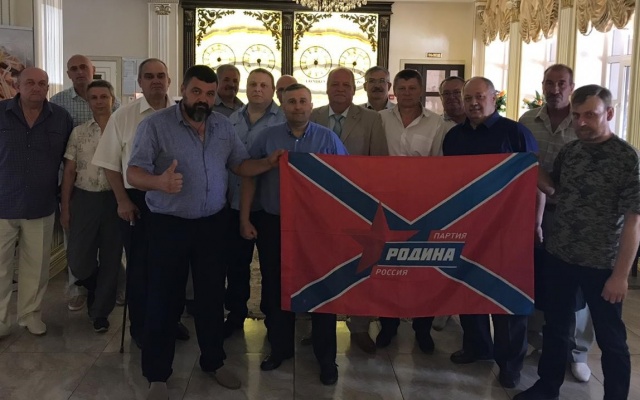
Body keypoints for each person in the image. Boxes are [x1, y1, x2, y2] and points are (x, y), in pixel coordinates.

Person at [127, 65, 283, 399]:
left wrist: (268, 163)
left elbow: (240, 165)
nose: (203, 99)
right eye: (197, 91)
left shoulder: (223, 127)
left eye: (210, 94)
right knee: (164, 300)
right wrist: (159, 182)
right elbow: (134, 173)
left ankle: (213, 361)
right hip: (168, 225)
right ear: (183, 90)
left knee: (211, 298)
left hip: (212, 225)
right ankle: (157, 375)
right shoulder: (155, 126)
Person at [515, 85, 639, 400]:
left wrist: (620, 276)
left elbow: (634, 222)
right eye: (577, 115)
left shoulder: (627, 158)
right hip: (560, 256)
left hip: (601, 263)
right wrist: (530, 165)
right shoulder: (571, 152)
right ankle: (547, 387)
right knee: (556, 328)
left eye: (590, 115)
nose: (582, 123)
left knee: (611, 339)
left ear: (609, 113)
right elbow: (554, 190)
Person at [240, 83, 348, 385]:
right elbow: (247, 173)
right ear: (282, 105)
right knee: (276, 286)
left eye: (302, 101)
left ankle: (326, 357)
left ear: (311, 105)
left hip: (317, 228)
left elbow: (345, 179)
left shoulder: (328, 139)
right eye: (291, 102)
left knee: (322, 287)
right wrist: (245, 217)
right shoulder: (267, 137)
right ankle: (280, 348)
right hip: (274, 222)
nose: (298, 106)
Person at [443, 76, 539, 389]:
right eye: (467, 98)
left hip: (507, 230)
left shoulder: (516, 133)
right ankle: (477, 345)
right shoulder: (453, 137)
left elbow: (534, 180)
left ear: (493, 97)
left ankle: (509, 363)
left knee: (506, 294)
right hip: (466, 227)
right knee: (468, 287)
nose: (473, 103)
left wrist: (534, 223)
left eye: (479, 97)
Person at [92, 58, 189, 348]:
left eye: (161, 75)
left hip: (175, 200)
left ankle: (171, 320)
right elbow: (109, 162)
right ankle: (141, 326)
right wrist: (122, 200)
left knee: (174, 265)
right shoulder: (124, 116)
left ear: (169, 81)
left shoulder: (183, 114)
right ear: (140, 82)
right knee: (140, 267)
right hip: (137, 201)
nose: (156, 81)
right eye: (149, 76)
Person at [518, 64, 594, 383]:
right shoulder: (526, 121)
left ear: (571, 86)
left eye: (561, 83)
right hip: (532, 212)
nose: (555, 89)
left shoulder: (583, 123)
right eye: (549, 83)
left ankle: (578, 352)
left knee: (576, 284)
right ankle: (539, 341)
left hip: (573, 216)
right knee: (538, 277)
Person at [308, 67, 388, 353]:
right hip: (317, 206)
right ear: (327, 88)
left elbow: (380, 163)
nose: (340, 89)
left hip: (357, 205)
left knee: (360, 267)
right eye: (335, 84)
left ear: (355, 90)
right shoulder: (312, 116)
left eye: (346, 85)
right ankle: (317, 326)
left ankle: (360, 328)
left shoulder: (371, 119)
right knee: (319, 266)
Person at [376, 69, 453, 353]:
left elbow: (441, 165)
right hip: (386, 203)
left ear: (421, 90)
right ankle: (388, 325)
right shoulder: (379, 119)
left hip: (423, 204)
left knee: (422, 268)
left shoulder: (437, 123)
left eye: (412, 88)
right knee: (386, 266)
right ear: (394, 91)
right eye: (402, 88)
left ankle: (422, 328)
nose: (407, 93)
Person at [0, 67, 73, 337]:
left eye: (42, 83)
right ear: (17, 86)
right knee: (0, 267)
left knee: (37, 266)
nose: (36, 87)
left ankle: (30, 314)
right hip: (3, 203)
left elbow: (69, 162)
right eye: (30, 82)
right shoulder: (1, 113)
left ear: (48, 88)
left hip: (41, 204)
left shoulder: (61, 118)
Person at [51, 54, 122, 312]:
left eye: (84, 67)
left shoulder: (120, 121)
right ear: (68, 73)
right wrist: (65, 203)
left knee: (112, 253)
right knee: (78, 253)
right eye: (74, 68)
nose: (80, 72)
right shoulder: (60, 105)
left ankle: (103, 304)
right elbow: (68, 166)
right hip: (81, 190)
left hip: (114, 195)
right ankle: (83, 287)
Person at [223, 68, 285, 338]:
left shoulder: (283, 120)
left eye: (263, 85)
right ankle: (236, 314)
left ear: (272, 91)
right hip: (234, 202)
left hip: (269, 206)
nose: (257, 89)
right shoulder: (231, 120)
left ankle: (273, 319)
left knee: (272, 268)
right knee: (236, 265)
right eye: (253, 84)